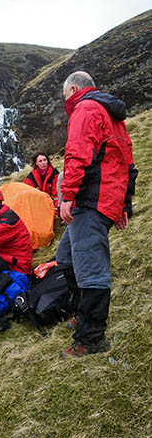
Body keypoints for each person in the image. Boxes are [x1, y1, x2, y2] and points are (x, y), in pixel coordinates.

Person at [56, 71, 138, 357]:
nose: (66, 101)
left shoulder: (86, 108)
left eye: (66, 96)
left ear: (75, 89)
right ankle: (83, 313)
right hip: (103, 200)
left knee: (91, 270)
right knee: (65, 257)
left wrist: (67, 195)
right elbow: (128, 164)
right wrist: (123, 205)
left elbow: (77, 153)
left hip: (90, 201)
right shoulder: (112, 116)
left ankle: (91, 339)